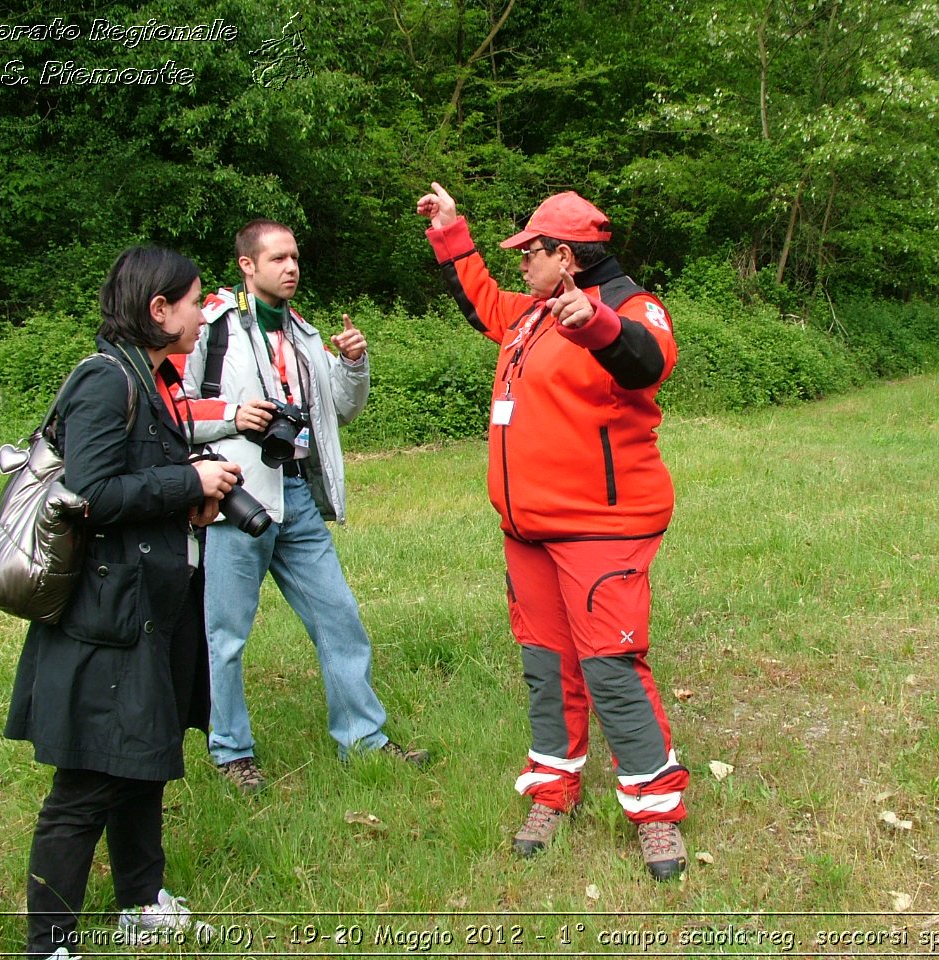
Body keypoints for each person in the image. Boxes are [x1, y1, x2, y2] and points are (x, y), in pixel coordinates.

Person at [415, 183, 690, 879]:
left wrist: (592, 322)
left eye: (529, 254)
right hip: (527, 530)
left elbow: (647, 360)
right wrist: (452, 234)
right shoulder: (531, 313)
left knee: (610, 670)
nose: (521, 266)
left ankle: (655, 811)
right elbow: (482, 300)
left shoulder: (632, 308)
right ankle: (552, 788)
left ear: (565, 257)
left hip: (601, 530)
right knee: (547, 666)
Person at [5, 246, 242, 957]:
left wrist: (187, 503)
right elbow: (93, 494)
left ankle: (141, 899)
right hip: (104, 619)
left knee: (144, 758)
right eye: (196, 301)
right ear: (157, 309)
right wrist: (186, 488)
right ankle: (48, 945)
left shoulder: (152, 375)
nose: (205, 315)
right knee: (86, 782)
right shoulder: (105, 381)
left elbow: (136, 483)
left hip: (148, 605)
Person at [180, 218, 426, 793]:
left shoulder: (306, 335)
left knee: (339, 618)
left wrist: (354, 365)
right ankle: (231, 752)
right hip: (235, 497)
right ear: (247, 265)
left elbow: (339, 411)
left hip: (297, 495)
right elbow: (176, 410)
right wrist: (232, 418)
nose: (291, 268)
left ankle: (362, 739)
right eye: (277, 259)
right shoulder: (213, 331)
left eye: (295, 257)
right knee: (227, 636)